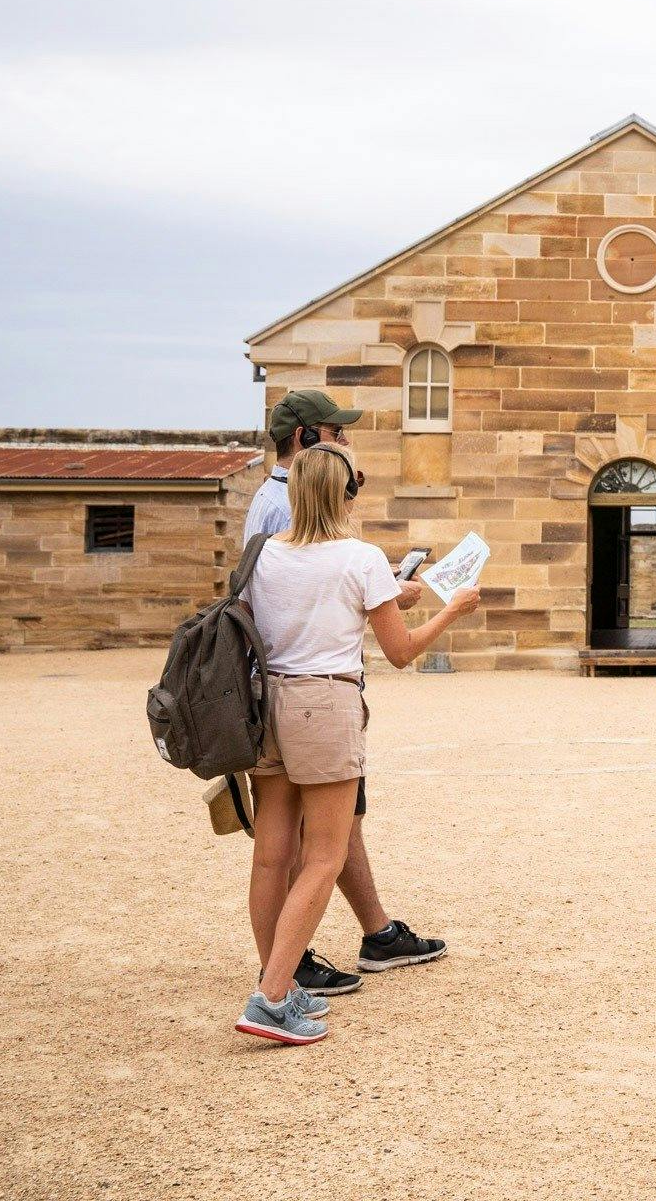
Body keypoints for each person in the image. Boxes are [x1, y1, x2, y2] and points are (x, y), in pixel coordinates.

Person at [236, 440, 479, 1044]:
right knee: (325, 855)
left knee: (271, 857)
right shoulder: (362, 557)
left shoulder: (261, 554)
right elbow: (400, 652)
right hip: (325, 706)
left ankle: (280, 981)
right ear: (344, 494)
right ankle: (269, 1001)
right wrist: (452, 611)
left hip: (266, 706)